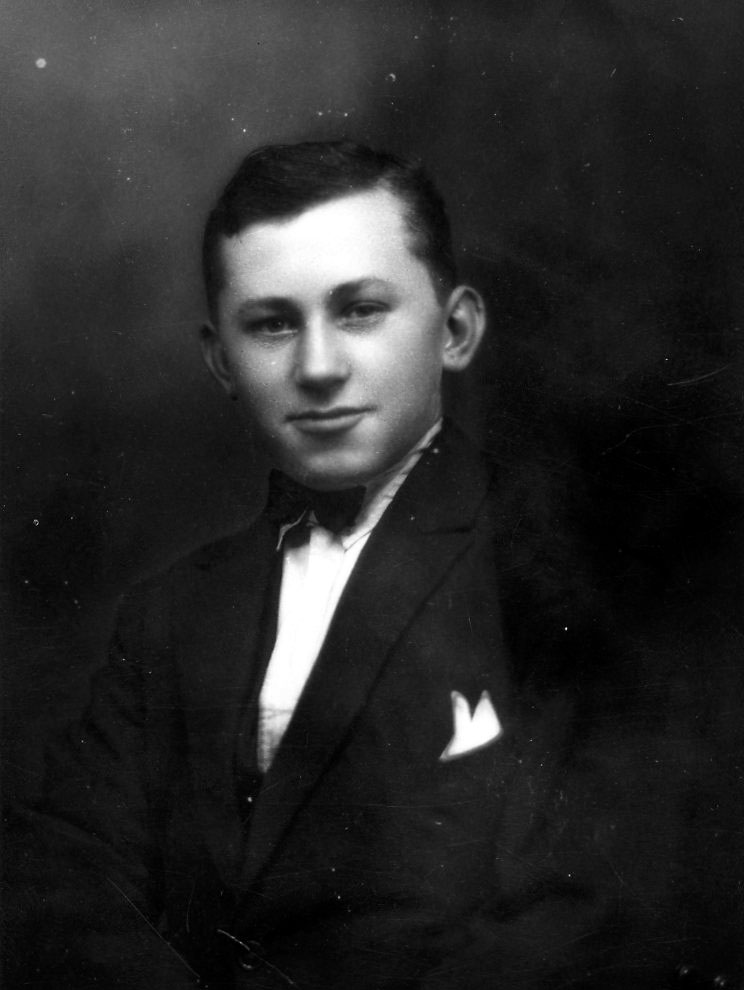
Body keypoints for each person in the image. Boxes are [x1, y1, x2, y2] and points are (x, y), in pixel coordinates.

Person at [5, 141, 742, 990]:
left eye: (359, 310)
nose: (318, 368)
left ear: (456, 330)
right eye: (272, 323)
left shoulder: (570, 573)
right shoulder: (167, 615)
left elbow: (592, 913)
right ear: (220, 361)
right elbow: (64, 879)